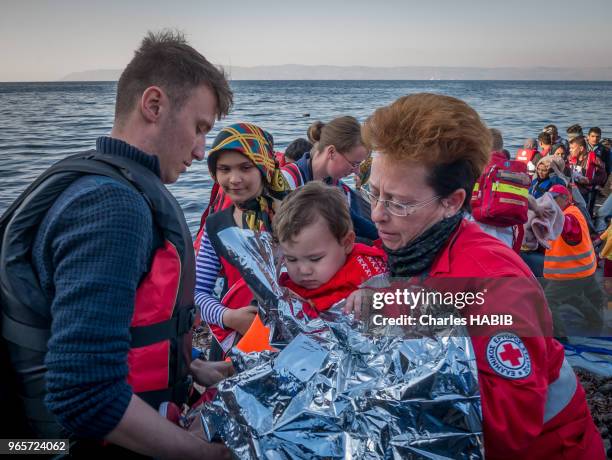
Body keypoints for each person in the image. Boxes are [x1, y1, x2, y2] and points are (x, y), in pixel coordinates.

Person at [0, 31, 234, 459]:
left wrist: (189, 364)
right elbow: (84, 395)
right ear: (154, 105)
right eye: (199, 128)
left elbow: (106, 331)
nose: (202, 152)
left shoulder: (93, 181)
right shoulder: (112, 207)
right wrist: (207, 455)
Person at [346, 93, 604, 459]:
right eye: (372, 194)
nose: (376, 215)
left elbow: (501, 430)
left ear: (452, 202)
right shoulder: (418, 244)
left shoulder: (496, 283)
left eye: (398, 203)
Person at [236, 181, 387, 353]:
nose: (303, 270)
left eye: (315, 259)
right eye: (291, 259)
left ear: (346, 243)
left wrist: (374, 294)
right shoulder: (287, 289)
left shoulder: (365, 268)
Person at [195, 122, 290, 357]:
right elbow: (197, 292)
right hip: (239, 341)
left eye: (246, 167)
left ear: (265, 167)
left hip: (295, 339)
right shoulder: (216, 225)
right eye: (224, 169)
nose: (234, 179)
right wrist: (227, 316)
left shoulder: (295, 215)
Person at [281, 116, 377, 241]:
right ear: (331, 152)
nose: (357, 171)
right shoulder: (286, 182)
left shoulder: (336, 186)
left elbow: (354, 220)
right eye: (354, 164)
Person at [543, 185, 605, 337]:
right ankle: (596, 320)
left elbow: (568, 226)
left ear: (565, 198)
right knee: (571, 296)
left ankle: (560, 337)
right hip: (582, 269)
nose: (551, 202)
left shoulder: (570, 216)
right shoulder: (570, 212)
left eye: (554, 198)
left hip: (572, 271)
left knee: (549, 299)